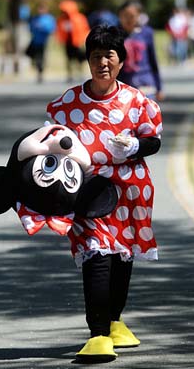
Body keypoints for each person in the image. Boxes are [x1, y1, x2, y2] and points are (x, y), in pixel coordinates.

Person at [46, 25, 162, 361]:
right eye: (95, 56)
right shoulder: (66, 104)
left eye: (109, 55)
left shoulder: (137, 102)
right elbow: (49, 144)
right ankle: (97, 333)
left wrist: (136, 145)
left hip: (129, 194)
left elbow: (153, 141)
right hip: (88, 193)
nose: (102, 63)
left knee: (122, 258)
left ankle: (114, 321)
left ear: (121, 61)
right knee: (96, 255)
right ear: (88, 61)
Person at [117, 0, 164, 102]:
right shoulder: (116, 35)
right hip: (125, 85)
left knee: (147, 116)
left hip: (146, 83)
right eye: (124, 16)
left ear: (138, 16)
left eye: (132, 16)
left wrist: (159, 87)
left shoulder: (147, 33)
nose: (128, 20)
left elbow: (153, 61)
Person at [56, 0, 90, 83]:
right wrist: (60, 39)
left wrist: (83, 40)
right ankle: (70, 75)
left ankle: (80, 73)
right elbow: (59, 30)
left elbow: (85, 29)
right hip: (67, 42)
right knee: (69, 59)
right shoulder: (61, 19)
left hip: (77, 42)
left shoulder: (79, 18)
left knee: (80, 59)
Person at [26, 3, 56, 83]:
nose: (40, 11)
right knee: (29, 54)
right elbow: (30, 28)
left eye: (42, 9)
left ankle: (40, 73)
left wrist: (42, 28)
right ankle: (37, 67)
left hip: (43, 41)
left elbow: (51, 29)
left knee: (40, 57)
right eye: (39, 9)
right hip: (34, 40)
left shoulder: (49, 19)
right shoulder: (35, 18)